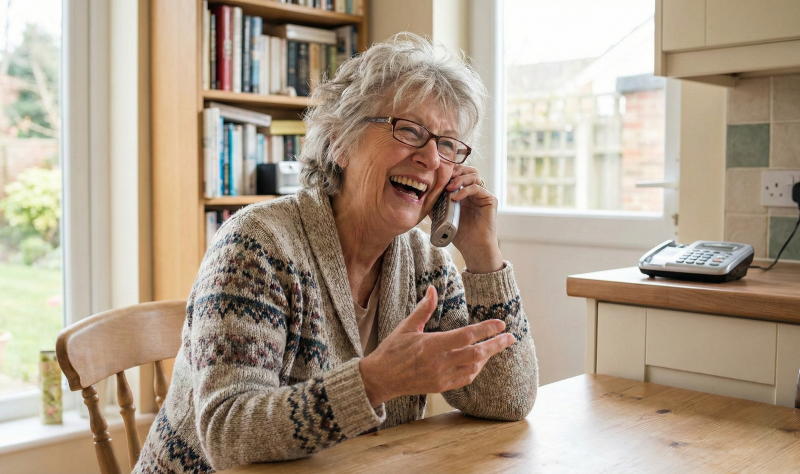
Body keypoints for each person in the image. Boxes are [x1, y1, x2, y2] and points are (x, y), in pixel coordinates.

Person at [134, 32, 538, 474]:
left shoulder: (428, 264)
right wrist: (375, 381)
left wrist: (483, 256)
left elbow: (506, 400)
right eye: (409, 130)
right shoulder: (258, 245)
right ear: (340, 143)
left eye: (447, 144)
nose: (430, 158)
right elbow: (229, 436)